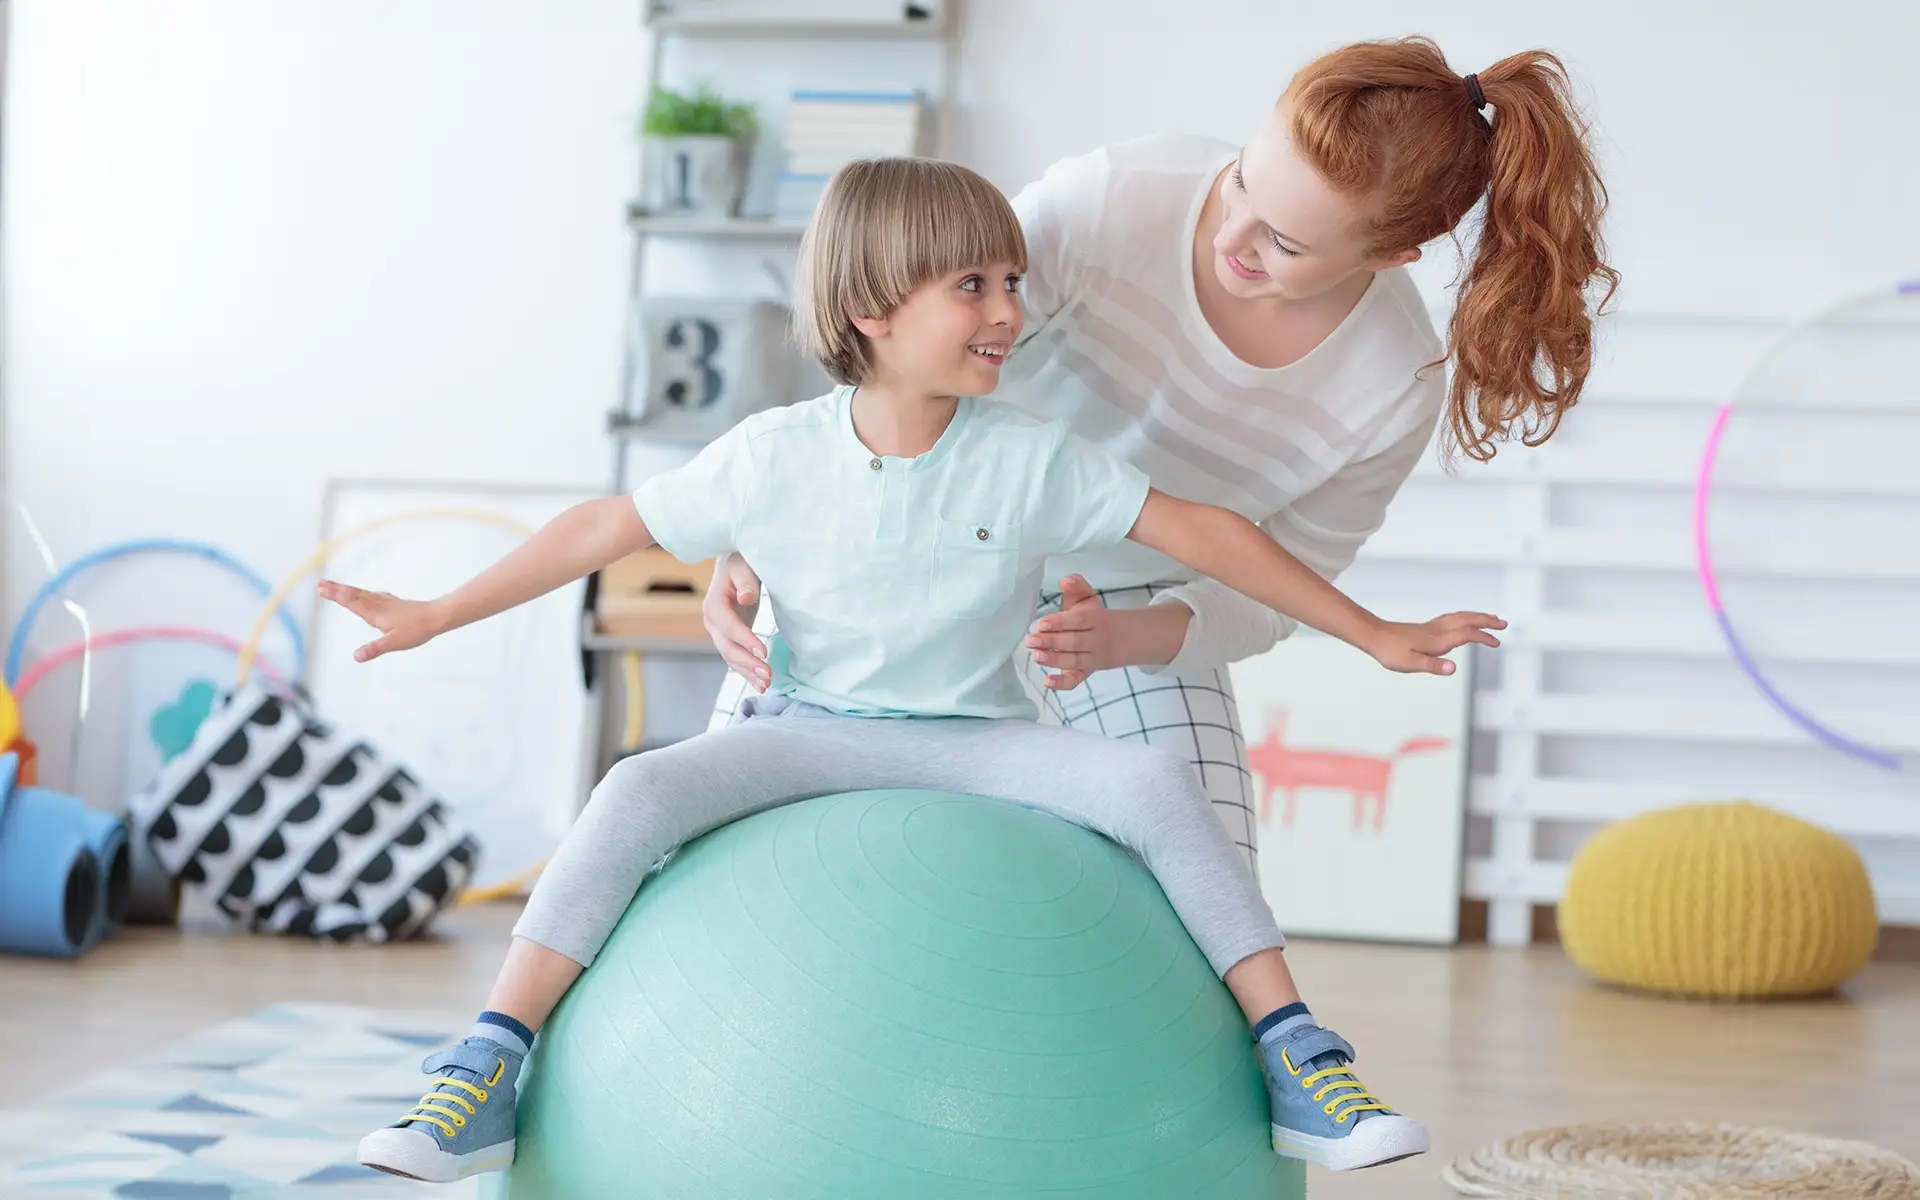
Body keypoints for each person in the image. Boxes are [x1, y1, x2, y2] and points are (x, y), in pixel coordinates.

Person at [326, 157, 1502, 1183]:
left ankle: (1298, 1054)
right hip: (805, 729)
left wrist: (1375, 634)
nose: (1010, 310)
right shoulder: (772, 455)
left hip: (985, 737)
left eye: (1011, 282)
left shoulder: (1034, 457)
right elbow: (598, 529)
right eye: (976, 288)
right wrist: (438, 611)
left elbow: (1208, 536)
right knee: (636, 791)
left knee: (1153, 787)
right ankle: (485, 1064)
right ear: (871, 309)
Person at [702, 36, 1617, 872]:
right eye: (1243, 182)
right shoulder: (1118, 196)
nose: (1232, 237)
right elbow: (901, 356)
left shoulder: (1390, 385)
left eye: (1283, 243)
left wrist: (1122, 640)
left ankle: (1279, 1045)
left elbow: (1266, 588)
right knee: (722, 814)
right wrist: (776, 527)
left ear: (1396, 255)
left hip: (1125, 603)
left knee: (1202, 867)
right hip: (909, 531)